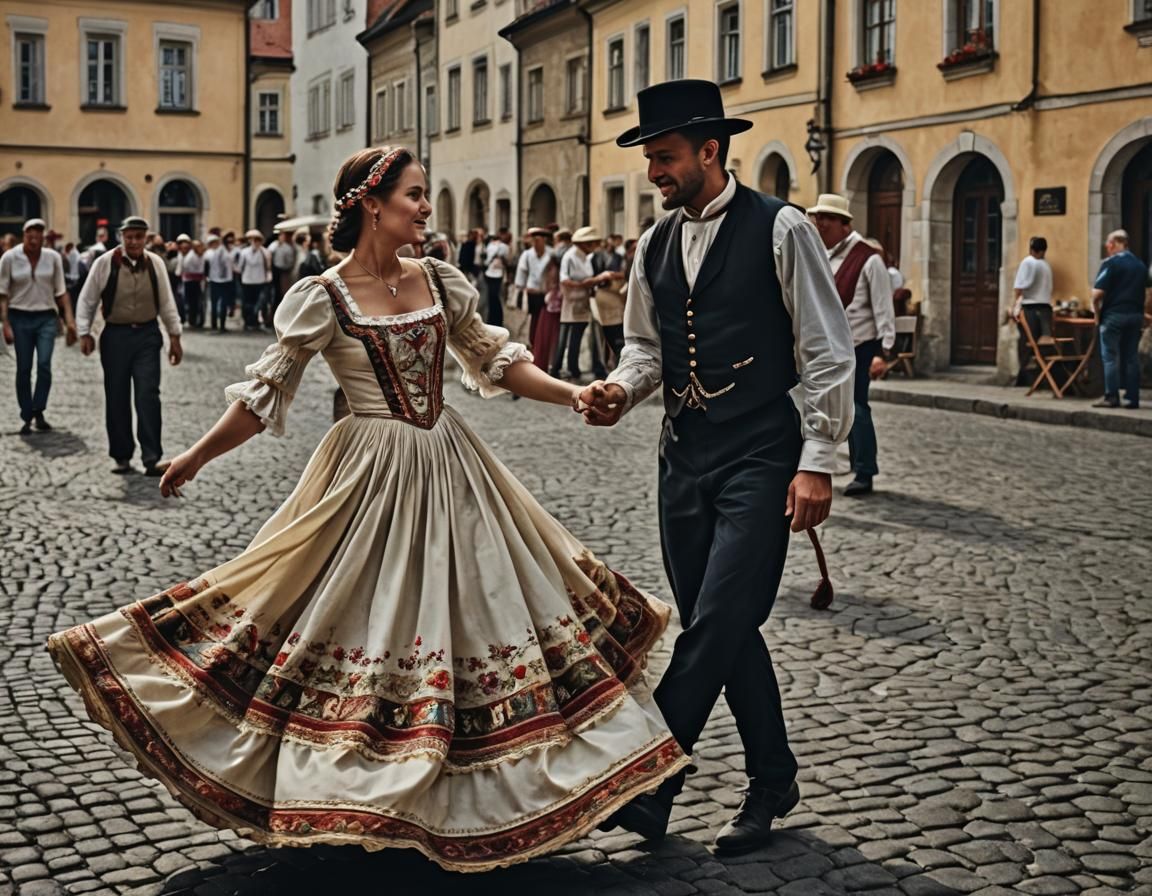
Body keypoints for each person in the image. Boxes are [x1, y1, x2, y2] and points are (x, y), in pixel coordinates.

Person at [47, 144, 688, 872]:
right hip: (369, 471)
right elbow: (266, 392)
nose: (426, 207)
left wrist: (573, 394)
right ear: (371, 207)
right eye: (415, 194)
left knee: (485, 606)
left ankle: (488, 778)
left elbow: (495, 360)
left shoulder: (439, 279)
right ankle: (364, 779)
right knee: (354, 611)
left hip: (452, 462)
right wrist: (196, 454)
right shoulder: (324, 295)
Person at [579, 80, 854, 854]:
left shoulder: (782, 227)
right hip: (682, 454)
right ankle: (773, 776)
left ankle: (650, 781)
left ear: (709, 151)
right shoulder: (653, 242)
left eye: (665, 157)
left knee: (723, 616)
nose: (654, 173)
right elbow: (645, 347)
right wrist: (620, 390)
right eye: (649, 159)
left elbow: (827, 350)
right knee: (719, 624)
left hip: (761, 449)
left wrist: (818, 461)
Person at [74, 216, 183, 475]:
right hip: (116, 336)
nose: (134, 242)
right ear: (121, 237)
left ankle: (152, 457)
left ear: (145, 238)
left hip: (147, 335)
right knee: (117, 394)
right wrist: (84, 332)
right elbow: (88, 299)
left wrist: (174, 336)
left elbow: (166, 302)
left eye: (138, 237)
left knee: (148, 394)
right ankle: (121, 455)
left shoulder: (155, 263)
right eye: (129, 237)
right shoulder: (105, 263)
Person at [808, 193, 894, 497]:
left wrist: (883, 352)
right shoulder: (824, 254)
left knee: (857, 407)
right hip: (830, 347)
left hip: (861, 345)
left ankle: (865, 470)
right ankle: (846, 464)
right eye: (818, 219)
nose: (821, 225)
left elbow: (883, 308)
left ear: (844, 224)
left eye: (827, 220)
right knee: (835, 408)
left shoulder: (869, 258)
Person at [0, 218, 77, 434]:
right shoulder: (9, 258)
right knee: (24, 368)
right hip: (19, 317)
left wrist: (70, 322)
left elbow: (61, 292)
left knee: (44, 364)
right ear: (23, 235)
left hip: (46, 317)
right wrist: (5, 323)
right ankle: (26, 413)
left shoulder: (52, 258)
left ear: (43, 237)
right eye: (30, 234)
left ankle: (39, 409)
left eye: (38, 235)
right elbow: (2, 294)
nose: (34, 239)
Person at [1091, 229, 1152, 409]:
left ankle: (1111, 397)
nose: (1107, 247)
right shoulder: (1140, 265)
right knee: (1131, 357)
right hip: (1135, 315)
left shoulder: (1110, 263)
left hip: (1113, 315)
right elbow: (1148, 294)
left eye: (1108, 244)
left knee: (1110, 357)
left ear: (1115, 243)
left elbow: (1097, 294)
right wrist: (1144, 313)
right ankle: (1133, 398)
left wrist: (1096, 314)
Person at [552, 226, 611, 381]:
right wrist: (584, 284)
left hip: (584, 301)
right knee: (570, 336)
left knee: (579, 336)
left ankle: (576, 368)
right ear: (585, 243)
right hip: (572, 301)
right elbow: (564, 280)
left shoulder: (586, 257)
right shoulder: (570, 256)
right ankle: (568, 368)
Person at [1011, 236, 1054, 386]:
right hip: (1046, 309)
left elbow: (1019, 287)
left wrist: (1016, 305)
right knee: (1043, 347)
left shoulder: (1028, 262)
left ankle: (1024, 379)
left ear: (1032, 250)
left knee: (1026, 345)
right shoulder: (1046, 265)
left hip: (1031, 308)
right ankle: (1041, 379)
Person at [514, 227, 552, 354]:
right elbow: (522, 272)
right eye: (534, 241)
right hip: (532, 291)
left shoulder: (551, 253)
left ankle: (543, 342)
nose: (536, 243)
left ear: (544, 241)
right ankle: (533, 341)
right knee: (534, 317)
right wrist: (521, 287)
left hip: (547, 292)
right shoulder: (527, 254)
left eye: (538, 240)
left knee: (545, 318)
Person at [237, 229, 271, 331]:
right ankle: (247, 321)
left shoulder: (265, 252)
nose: (255, 242)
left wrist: (268, 278)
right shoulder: (244, 252)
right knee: (247, 302)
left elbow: (268, 267)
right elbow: (240, 266)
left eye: (258, 240)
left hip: (260, 280)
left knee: (259, 303)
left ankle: (256, 321)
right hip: (247, 280)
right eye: (253, 240)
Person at [205, 233, 235, 332]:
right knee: (219, 304)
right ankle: (218, 325)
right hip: (219, 280)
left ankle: (218, 325)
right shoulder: (214, 253)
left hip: (220, 280)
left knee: (219, 304)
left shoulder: (215, 253)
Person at [482, 229, 510, 327]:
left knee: (495, 296)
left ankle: (497, 320)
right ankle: (492, 319)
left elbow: (507, 261)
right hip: (490, 273)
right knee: (491, 297)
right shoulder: (490, 245)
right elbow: (487, 258)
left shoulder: (504, 246)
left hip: (498, 274)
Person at [271, 229, 298, 317]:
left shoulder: (288, 248)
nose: (281, 238)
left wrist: (287, 270)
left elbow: (290, 261)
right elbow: (269, 254)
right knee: (275, 293)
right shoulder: (274, 245)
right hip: (274, 270)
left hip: (284, 271)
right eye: (280, 236)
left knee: (282, 292)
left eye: (283, 236)